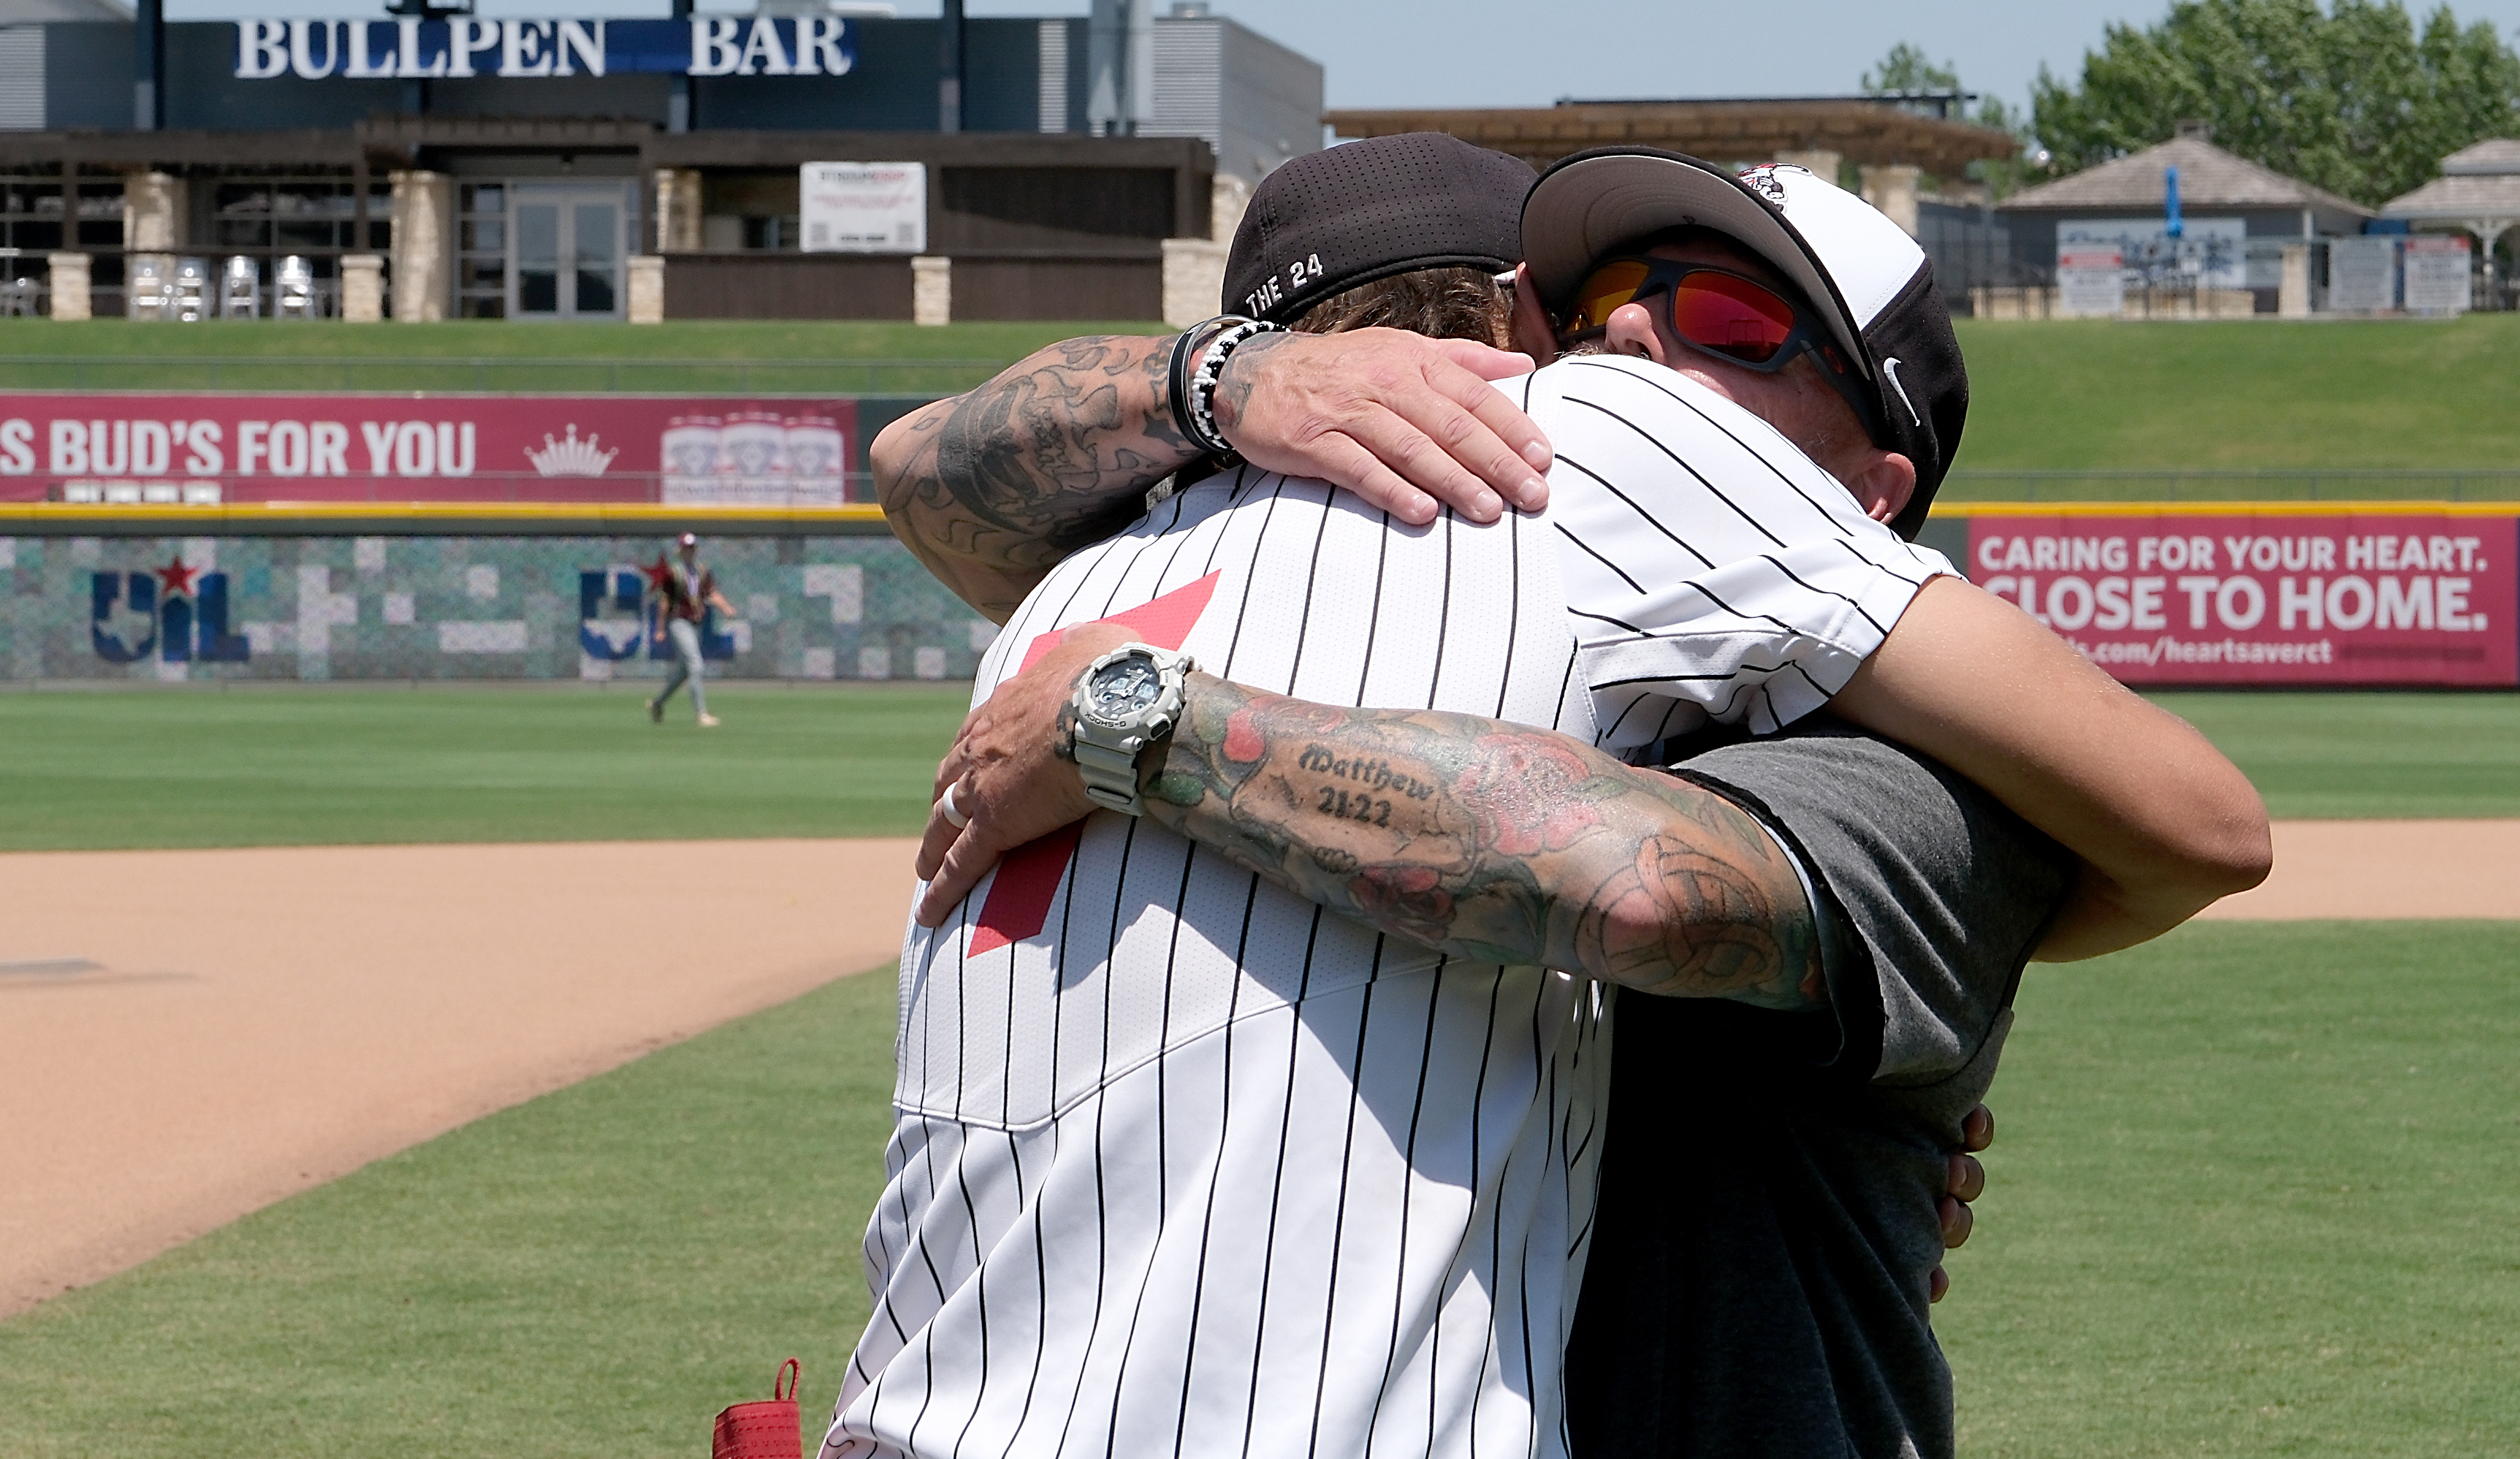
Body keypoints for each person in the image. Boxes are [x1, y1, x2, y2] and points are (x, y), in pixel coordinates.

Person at [837, 139, 2266, 1459]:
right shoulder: (1555, 486)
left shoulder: (1079, 584)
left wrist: (1134, 697)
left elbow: (917, 469)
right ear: (1503, 335)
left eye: (1733, 322)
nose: (1632, 340)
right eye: (1597, 310)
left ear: (1875, 491)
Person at [647, 532, 736, 728]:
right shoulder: (673, 573)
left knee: (684, 672)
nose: (690, 552)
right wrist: (660, 628)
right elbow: (665, 602)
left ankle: (657, 703)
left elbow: (712, 593)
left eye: (692, 548)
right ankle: (701, 714)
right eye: (686, 548)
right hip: (679, 622)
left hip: (696, 624)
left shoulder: (702, 571)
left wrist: (726, 607)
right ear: (680, 551)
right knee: (696, 664)